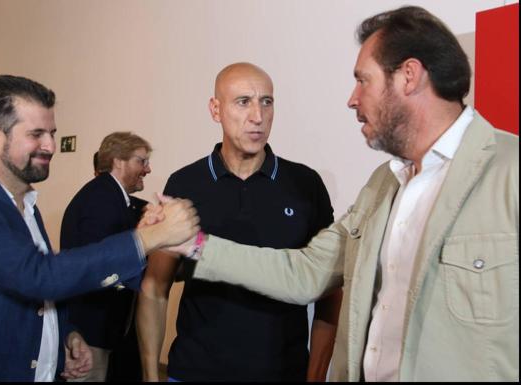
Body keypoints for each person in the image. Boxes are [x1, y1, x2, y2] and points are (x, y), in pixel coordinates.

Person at [168, 6, 518, 382]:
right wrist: (195, 243)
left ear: (409, 76)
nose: (352, 99)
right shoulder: (383, 185)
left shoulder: (509, 173)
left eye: (362, 81)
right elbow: (304, 272)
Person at [0, 75, 199, 381]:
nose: (51, 145)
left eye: (52, 133)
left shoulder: (27, 205)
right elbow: (39, 275)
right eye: (36, 134)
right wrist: (148, 238)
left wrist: (66, 333)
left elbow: (29, 294)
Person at [137, 62, 342, 382]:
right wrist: (150, 376)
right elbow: (155, 286)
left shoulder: (305, 185)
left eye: (267, 101)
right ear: (215, 110)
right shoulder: (186, 183)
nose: (258, 116)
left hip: (282, 371)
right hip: (196, 371)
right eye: (243, 101)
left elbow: (330, 290)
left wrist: (314, 376)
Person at [60, 132, 153, 381]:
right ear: (118, 161)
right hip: (90, 332)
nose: (148, 169)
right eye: (141, 161)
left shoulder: (113, 198)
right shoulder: (100, 199)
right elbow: (100, 265)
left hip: (103, 330)